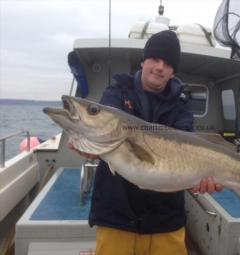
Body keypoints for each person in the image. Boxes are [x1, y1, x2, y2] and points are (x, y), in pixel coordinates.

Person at [69, 30, 222, 255]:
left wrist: (200, 180)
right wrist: (90, 146)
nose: (160, 67)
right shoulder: (116, 93)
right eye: (155, 59)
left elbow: (185, 157)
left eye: (168, 63)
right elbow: (101, 131)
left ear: (172, 72)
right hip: (116, 218)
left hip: (165, 223)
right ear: (143, 60)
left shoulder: (181, 108)